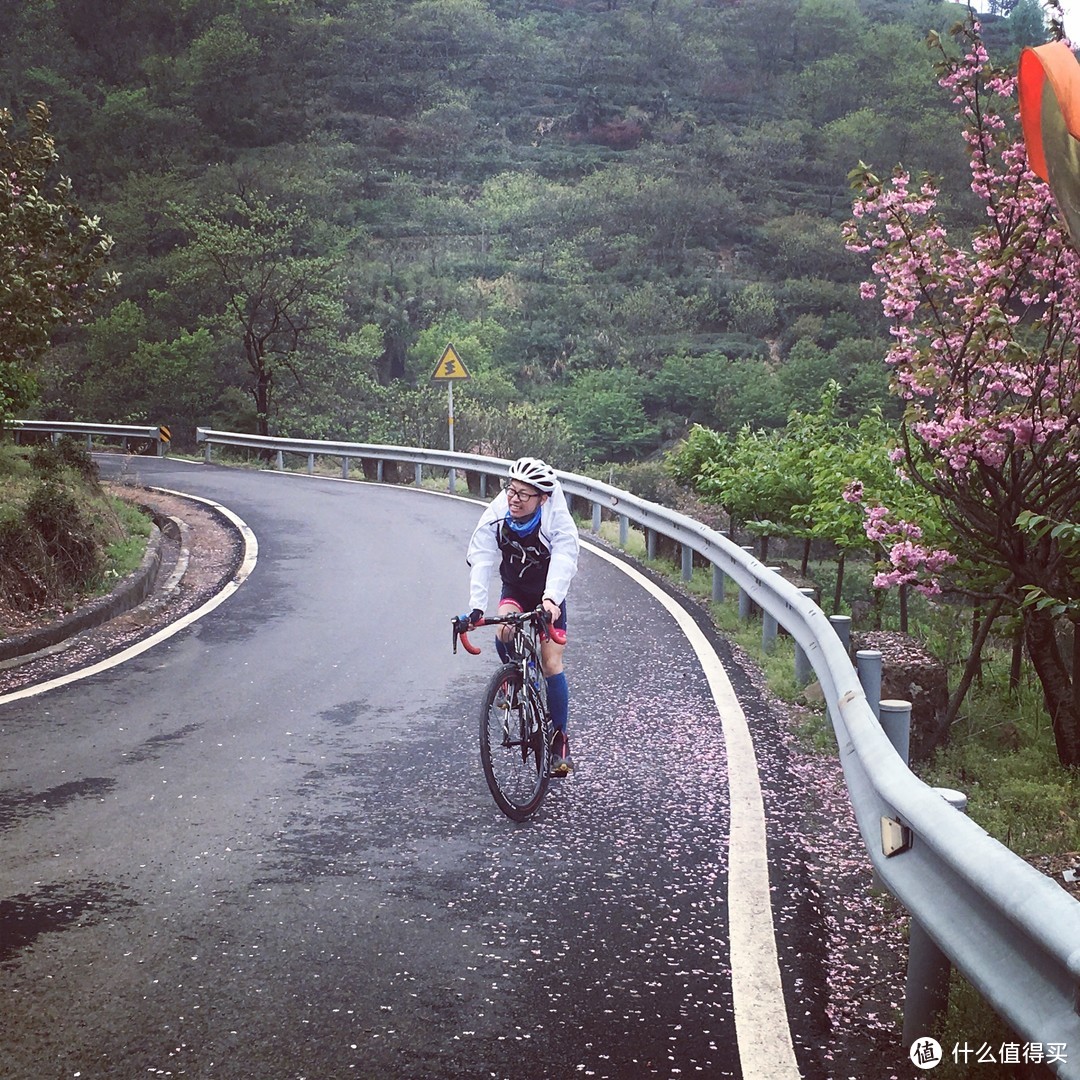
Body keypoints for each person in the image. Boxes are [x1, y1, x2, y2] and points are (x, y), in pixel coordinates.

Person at [466, 456, 580, 774]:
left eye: (523, 494)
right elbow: (482, 555)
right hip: (515, 587)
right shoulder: (499, 512)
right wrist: (476, 607)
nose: (513, 499)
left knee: (551, 662)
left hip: (546, 593)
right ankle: (514, 677)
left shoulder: (555, 517)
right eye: (511, 490)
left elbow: (565, 555)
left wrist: (551, 598)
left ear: (542, 498)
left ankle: (559, 739)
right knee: (503, 630)